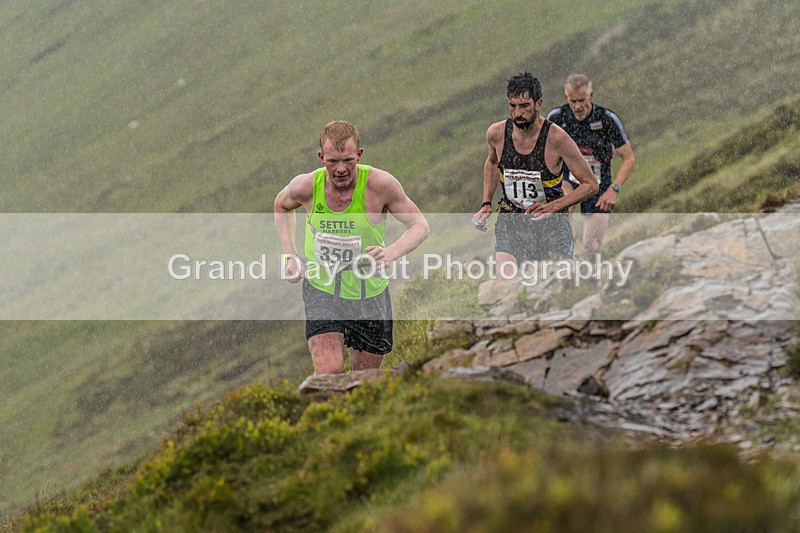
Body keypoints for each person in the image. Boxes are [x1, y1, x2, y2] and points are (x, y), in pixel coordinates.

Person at [274, 120, 429, 375]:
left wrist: (391, 252)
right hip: (322, 289)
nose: (341, 169)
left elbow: (419, 225)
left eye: (348, 160)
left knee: (363, 382)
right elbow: (281, 206)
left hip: (369, 293)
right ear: (321, 157)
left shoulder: (380, 186)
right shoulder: (307, 186)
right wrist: (290, 256)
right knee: (330, 373)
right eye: (333, 161)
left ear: (359, 154)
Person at [472, 72, 598, 277]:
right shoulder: (496, 134)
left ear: (538, 104)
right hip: (511, 221)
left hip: (551, 227)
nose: (517, 113)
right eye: (512, 106)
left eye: (524, 106)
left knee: (548, 288)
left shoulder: (556, 139)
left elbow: (590, 184)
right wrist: (486, 202)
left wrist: (553, 207)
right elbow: (493, 162)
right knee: (506, 282)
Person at [547, 74, 636, 255]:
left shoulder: (606, 119)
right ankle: (564, 260)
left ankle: (592, 277)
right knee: (562, 212)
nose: (578, 106)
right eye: (573, 101)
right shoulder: (557, 118)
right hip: (568, 178)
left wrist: (614, 189)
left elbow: (628, 158)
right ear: (566, 98)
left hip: (598, 183)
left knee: (591, 245)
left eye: (582, 100)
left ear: (591, 96)